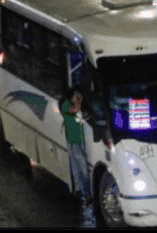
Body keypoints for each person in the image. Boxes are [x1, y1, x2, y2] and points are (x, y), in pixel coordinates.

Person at [61, 87, 96, 228]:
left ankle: (85, 194)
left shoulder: (74, 105)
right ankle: (86, 196)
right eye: (76, 96)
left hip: (81, 142)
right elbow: (74, 110)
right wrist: (79, 101)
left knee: (82, 169)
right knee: (81, 170)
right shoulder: (66, 105)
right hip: (74, 143)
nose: (78, 98)